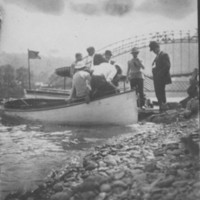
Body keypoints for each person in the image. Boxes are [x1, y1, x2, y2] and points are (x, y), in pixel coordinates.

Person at [149, 41, 172, 112]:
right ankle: (161, 108)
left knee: (161, 93)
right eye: (152, 50)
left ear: (157, 48)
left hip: (161, 78)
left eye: (154, 49)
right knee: (158, 93)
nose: (153, 51)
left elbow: (167, 66)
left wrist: (159, 74)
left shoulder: (164, 55)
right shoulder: (157, 56)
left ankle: (163, 108)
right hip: (157, 78)